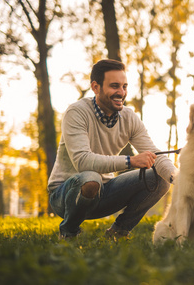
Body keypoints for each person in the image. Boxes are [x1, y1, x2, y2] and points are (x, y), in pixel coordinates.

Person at [48, 59, 177, 240]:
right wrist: (130, 161)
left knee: (160, 178)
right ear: (95, 87)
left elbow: (155, 155)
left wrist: (177, 178)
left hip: (105, 192)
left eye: (124, 86)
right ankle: (68, 233)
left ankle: (118, 232)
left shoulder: (129, 118)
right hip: (65, 194)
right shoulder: (76, 112)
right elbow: (82, 161)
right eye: (114, 86)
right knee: (90, 178)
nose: (121, 93)